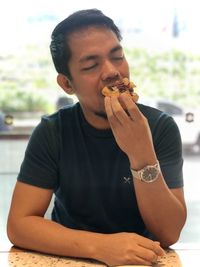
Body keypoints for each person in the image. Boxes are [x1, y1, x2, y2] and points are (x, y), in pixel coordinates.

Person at [7, 9, 187, 266]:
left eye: (118, 56)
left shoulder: (159, 127)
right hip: (72, 258)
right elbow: (19, 225)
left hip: (143, 260)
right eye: (91, 65)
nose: (112, 72)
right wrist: (101, 246)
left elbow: (168, 233)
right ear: (67, 84)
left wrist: (141, 154)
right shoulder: (53, 131)